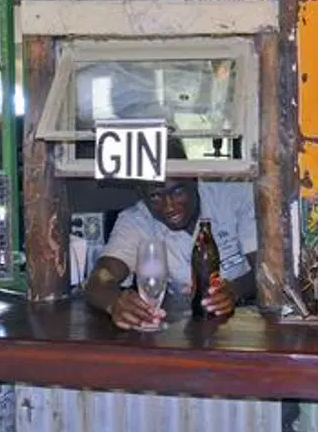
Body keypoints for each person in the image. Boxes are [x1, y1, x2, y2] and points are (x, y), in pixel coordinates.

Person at [85, 141, 258, 330]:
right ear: (141, 194)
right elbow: (100, 278)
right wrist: (115, 301)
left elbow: (266, 270)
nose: (169, 207)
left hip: (248, 319)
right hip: (185, 326)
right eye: (155, 196)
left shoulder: (235, 197)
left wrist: (235, 291)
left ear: (194, 179)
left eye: (177, 191)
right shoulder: (135, 220)